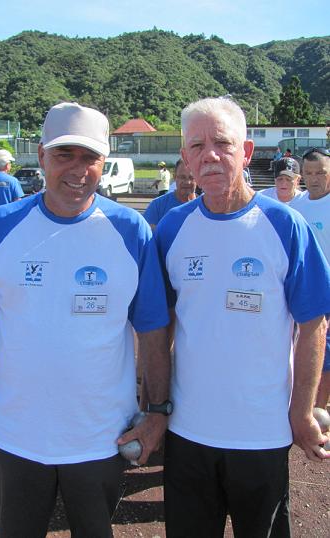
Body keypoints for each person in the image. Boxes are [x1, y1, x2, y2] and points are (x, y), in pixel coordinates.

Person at [0, 102, 171, 538]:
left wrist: (156, 412)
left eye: (90, 157)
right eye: (65, 154)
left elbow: (153, 330)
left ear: (103, 163)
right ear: (42, 156)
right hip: (18, 437)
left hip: (101, 437)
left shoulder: (131, 230)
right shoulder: (0, 224)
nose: (78, 169)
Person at [154, 97, 330, 538]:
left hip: (262, 431)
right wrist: (153, 405)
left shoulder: (286, 226)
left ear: (247, 152)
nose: (209, 155)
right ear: (184, 157)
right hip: (188, 431)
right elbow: (159, 326)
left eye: (222, 143)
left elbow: (313, 325)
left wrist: (302, 410)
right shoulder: (171, 229)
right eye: (196, 146)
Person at [291, 147, 330, 411]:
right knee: (298, 352)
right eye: (308, 173)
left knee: (324, 356)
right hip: (300, 294)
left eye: (321, 172)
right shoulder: (295, 208)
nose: (314, 178)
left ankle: (317, 409)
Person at [144, 159, 197, 230]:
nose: (187, 182)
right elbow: (146, 234)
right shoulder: (157, 206)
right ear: (175, 177)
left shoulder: (206, 206)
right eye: (182, 177)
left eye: (191, 177)